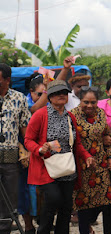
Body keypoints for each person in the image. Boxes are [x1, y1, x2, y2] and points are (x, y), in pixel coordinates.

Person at [25, 80, 95, 234]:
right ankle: (43, 231)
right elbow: (28, 140)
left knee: (66, 206)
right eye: (56, 93)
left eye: (64, 92)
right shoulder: (40, 115)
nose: (61, 95)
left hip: (67, 167)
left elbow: (76, 144)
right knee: (53, 200)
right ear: (49, 96)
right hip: (47, 168)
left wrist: (87, 156)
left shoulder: (70, 116)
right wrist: (39, 149)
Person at [71, 86, 111, 234]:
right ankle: (86, 230)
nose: (89, 106)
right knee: (83, 205)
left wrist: (110, 158)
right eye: (86, 102)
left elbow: (108, 138)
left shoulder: (101, 114)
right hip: (82, 166)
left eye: (93, 102)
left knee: (106, 204)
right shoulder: (72, 116)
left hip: (101, 166)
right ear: (80, 101)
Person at [0, 64, 31, 234]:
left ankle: (4, 230)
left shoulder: (20, 98)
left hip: (10, 155)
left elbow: (25, 128)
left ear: (7, 80)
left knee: (9, 198)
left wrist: (29, 150)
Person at [17, 73, 49, 234]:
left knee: (45, 190)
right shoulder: (24, 103)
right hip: (26, 155)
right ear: (31, 93)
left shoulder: (52, 108)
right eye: (41, 93)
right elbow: (35, 109)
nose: (46, 97)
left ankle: (43, 222)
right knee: (24, 190)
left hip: (44, 154)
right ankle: (29, 226)